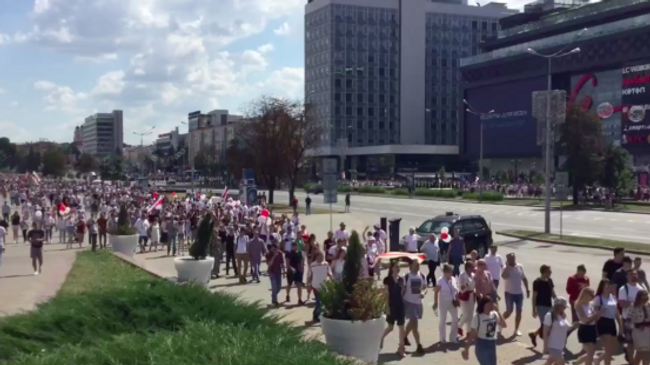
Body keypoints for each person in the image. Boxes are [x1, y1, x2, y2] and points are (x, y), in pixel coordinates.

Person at [462, 296, 507, 365]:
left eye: (492, 304)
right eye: (489, 304)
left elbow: (504, 325)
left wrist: (498, 312)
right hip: (482, 345)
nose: (491, 306)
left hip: (492, 344)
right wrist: (466, 349)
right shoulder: (477, 317)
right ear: (483, 305)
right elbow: (472, 334)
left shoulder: (494, 315)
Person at [381, 261, 408, 356]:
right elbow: (386, 294)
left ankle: (401, 348)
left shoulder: (401, 279)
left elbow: (403, 292)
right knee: (390, 327)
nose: (398, 268)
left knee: (401, 327)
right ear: (392, 268)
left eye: (399, 266)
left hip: (400, 305)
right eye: (396, 266)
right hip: (391, 305)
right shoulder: (387, 280)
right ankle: (381, 337)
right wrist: (387, 306)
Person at [593, 279, 623, 365]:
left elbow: (616, 312)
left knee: (613, 348)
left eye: (609, 285)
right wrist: (601, 312)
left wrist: (620, 324)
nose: (609, 287)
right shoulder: (598, 298)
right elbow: (595, 315)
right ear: (602, 287)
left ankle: (598, 360)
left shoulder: (612, 297)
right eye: (606, 285)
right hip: (603, 322)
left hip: (611, 322)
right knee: (608, 349)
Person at [542, 297, 579, 365]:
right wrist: (545, 346)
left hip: (560, 346)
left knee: (550, 361)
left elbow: (568, 328)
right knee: (561, 363)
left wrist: (575, 325)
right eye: (564, 307)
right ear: (558, 306)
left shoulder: (562, 315)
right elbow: (545, 332)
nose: (565, 308)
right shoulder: (549, 316)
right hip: (553, 346)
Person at [619, 268, 645, 363]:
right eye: (630, 274)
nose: (633, 276)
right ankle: (631, 361)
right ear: (627, 277)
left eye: (634, 274)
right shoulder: (624, 289)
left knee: (641, 344)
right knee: (631, 344)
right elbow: (622, 304)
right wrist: (635, 303)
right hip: (629, 320)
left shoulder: (641, 288)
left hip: (641, 321)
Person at [573, 287, 604, 365]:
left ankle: (577, 362)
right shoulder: (579, 305)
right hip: (584, 329)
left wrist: (599, 314)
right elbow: (585, 319)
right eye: (591, 295)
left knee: (591, 352)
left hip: (592, 328)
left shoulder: (591, 304)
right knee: (590, 351)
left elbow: (594, 318)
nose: (593, 297)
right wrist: (596, 314)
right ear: (585, 295)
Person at [501, 252, 529, 337]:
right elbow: (504, 277)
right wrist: (507, 267)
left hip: (519, 293)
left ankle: (516, 330)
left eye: (513, 258)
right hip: (509, 293)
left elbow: (524, 279)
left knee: (519, 312)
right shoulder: (506, 268)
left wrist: (527, 289)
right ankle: (499, 322)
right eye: (510, 258)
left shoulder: (520, 267)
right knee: (509, 311)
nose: (512, 260)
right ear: (507, 260)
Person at [529, 265, 556, 347]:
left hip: (549, 306)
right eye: (549, 271)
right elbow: (534, 297)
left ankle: (534, 334)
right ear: (544, 272)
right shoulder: (537, 282)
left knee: (547, 324)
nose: (551, 273)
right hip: (541, 306)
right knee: (546, 326)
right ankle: (547, 346)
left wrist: (558, 301)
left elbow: (552, 293)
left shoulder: (550, 281)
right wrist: (534, 309)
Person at [403, 260, 426, 353]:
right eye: (416, 264)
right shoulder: (406, 276)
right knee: (415, 324)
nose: (418, 266)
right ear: (411, 265)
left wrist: (423, 293)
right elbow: (402, 289)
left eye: (418, 264)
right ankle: (419, 345)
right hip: (409, 302)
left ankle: (404, 337)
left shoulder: (422, 275)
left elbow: (425, 287)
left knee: (412, 322)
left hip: (418, 303)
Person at [434, 264, 459, 344]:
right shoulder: (440, 280)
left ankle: (453, 337)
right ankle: (442, 338)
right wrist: (435, 302)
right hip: (443, 302)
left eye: (451, 272)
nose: (450, 274)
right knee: (443, 320)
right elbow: (436, 292)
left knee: (455, 318)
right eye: (449, 272)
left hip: (453, 301)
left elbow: (456, 290)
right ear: (444, 272)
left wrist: (457, 298)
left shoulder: (453, 279)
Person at [307, 251, 330, 323]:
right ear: (316, 257)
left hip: (324, 286)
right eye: (320, 256)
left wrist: (332, 280)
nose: (322, 258)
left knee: (321, 303)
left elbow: (329, 273)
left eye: (322, 256)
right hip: (315, 286)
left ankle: (316, 315)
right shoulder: (312, 265)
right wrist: (308, 284)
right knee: (319, 302)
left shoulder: (326, 264)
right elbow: (309, 275)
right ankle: (315, 315)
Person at [631, 289, 650, 365]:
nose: (646, 297)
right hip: (639, 332)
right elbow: (629, 320)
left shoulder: (648, 306)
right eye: (644, 295)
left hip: (648, 332)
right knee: (645, 354)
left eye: (646, 294)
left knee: (640, 353)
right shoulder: (634, 307)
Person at [458, 261, 476, 338]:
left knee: (470, 315)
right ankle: (459, 326)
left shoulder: (473, 275)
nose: (473, 268)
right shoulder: (462, 275)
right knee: (465, 313)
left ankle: (468, 332)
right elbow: (461, 288)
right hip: (464, 296)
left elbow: (474, 286)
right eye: (472, 267)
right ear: (468, 267)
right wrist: (466, 284)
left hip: (471, 296)